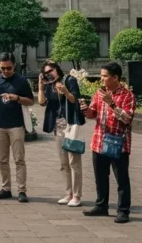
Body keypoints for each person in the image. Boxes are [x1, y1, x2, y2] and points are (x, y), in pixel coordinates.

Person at [80, 62, 136, 224]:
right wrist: (85, 109)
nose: (101, 79)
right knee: (100, 177)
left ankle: (123, 210)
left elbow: (127, 118)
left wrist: (111, 103)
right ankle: (101, 205)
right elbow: (92, 114)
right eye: (101, 76)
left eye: (105, 76)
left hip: (118, 143)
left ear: (115, 77)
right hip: (99, 141)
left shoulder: (127, 95)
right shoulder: (99, 93)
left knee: (122, 179)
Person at [37, 60, 85, 207]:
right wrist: (40, 85)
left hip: (71, 125)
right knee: (64, 163)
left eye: (51, 71)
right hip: (58, 127)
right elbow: (41, 102)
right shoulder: (49, 86)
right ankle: (68, 193)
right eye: (46, 73)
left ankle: (76, 195)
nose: (49, 74)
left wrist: (65, 91)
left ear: (57, 69)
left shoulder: (69, 80)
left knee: (73, 162)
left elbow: (75, 100)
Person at [0, 51, 35, 203]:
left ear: (14, 66)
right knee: (3, 160)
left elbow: (30, 101)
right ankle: (6, 188)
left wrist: (17, 98)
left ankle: (22, 190)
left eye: (8, 68)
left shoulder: (21, 81)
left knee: (19, 159)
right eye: (2, 68)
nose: (5, 71)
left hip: (16, 125)